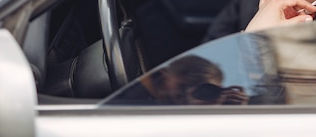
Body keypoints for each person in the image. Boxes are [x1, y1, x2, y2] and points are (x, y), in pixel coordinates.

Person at [105, 54, 249, 105]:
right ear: (161, 75)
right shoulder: (137, 98)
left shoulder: (216, 107)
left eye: (203, 90)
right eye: (183, 86)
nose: (188, 94)